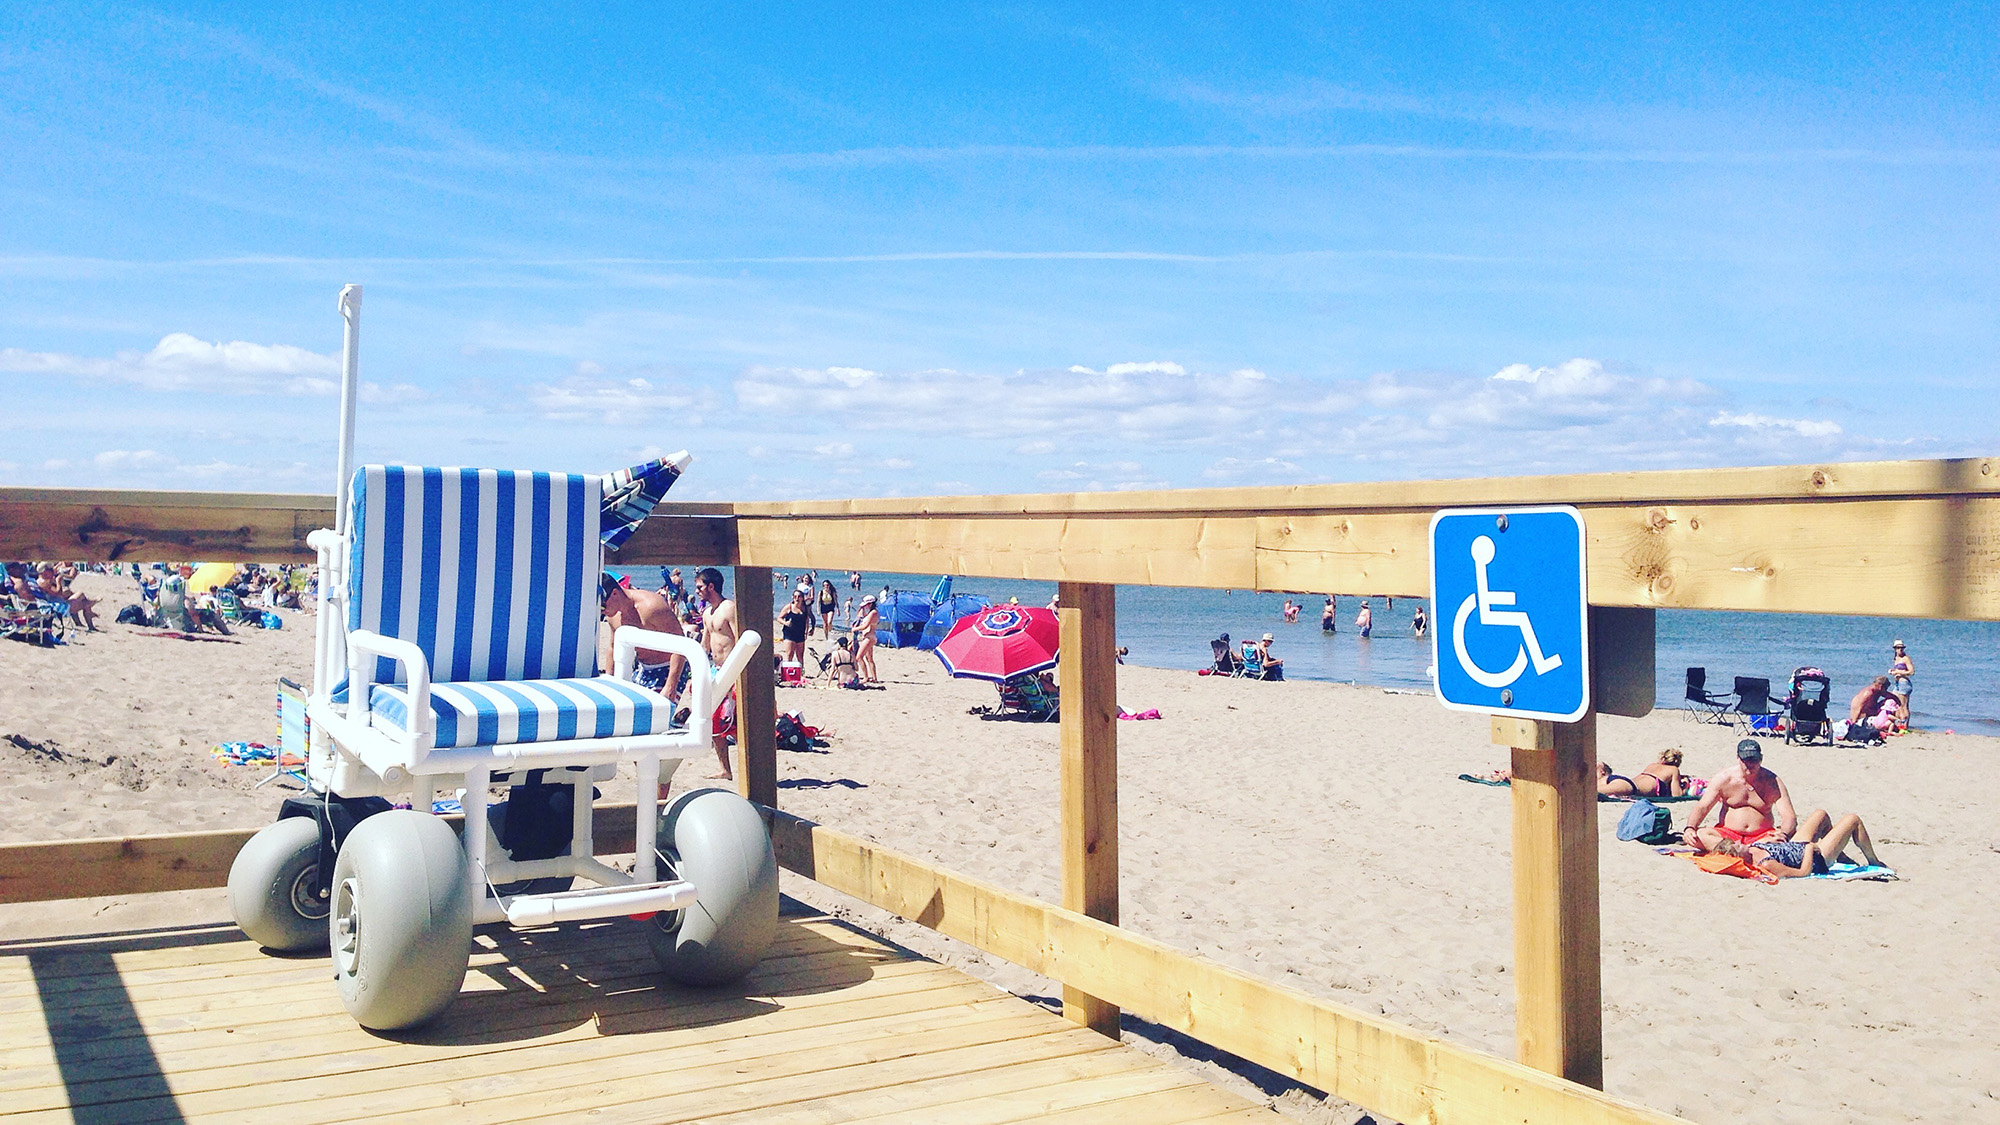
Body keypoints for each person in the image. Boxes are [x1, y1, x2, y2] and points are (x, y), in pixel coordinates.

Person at [1681, 739, 1796, 849]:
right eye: (1746, 760)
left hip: (1762, 836)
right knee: (1700, 835)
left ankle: (1739, 850)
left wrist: (1783, 834)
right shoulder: (1724, 779)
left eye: (1754, 760)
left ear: (1761, 759)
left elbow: (1789, 816)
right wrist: (1690, 828)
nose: (1750, 764)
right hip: (1727, 835)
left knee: (1788, 838)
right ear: (1738, 758)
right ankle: (1740, 849)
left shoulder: (1772, 782)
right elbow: (1703, 806)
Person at [1708, 809, 1886, 878]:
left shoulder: (1752, 850)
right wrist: (1809, 850)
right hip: (1816, 858)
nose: (1740, 841)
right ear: (1738, 856)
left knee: (1820, 815)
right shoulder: (1766, 864)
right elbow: (1802, 873)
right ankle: (1873, 861)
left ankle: (1841, 856)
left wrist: (1769, 839)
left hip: (1794, 846)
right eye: (1738, 845)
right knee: (1852, 819)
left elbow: (1764, 845)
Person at [599, 575, 686, 707]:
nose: (603, 612)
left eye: (603, 607)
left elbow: (680, 644)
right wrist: (609, 682)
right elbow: (612, 648)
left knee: (657, 715)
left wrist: (671, 686)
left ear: (615, 593)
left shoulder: (652, 607)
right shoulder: (613, 616)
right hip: (643, 669)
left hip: (669, 668)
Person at [694, 567, 740, 782]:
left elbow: (740, 640)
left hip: (733, 671)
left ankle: (752, 768)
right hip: (716, 671)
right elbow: (705, 645)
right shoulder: (706, 613)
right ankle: (725, 768)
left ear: (711, 586)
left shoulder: (728, 608)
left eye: (700, 587)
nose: (697, 591)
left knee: (737, 723)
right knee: (713, 722)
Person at [1597, 749, 1690, 799]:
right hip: (1631, 787)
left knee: (1589, 790)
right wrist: (1685, 786)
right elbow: (1676, 795)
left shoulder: (1652, 765)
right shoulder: (1674, 770)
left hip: (1621, 780)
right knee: (1594, 793)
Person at [852, 594, 881, 684]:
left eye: (867, 605)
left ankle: (865, 677)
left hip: (869, 637)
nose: (866, 607)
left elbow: (865, 626)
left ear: (871, 604)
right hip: (869, 636)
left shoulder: (873, 613)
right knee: (869, 658)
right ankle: (874, 677)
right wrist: (861, 609)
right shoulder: (871, 613)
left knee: (859, 657)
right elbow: (861, 617)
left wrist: (855, 629)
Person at [777, 590, 810, 670]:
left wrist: (806, 631)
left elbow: (806, 620)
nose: (797, 598)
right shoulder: (789, 607)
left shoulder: (804, 608)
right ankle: (788, 672)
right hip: (789, 633)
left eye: (799, 596)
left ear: (802, 598)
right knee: (790, 654)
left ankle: (801, 672)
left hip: (800, 633)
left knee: (800, 655)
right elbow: (779, 618)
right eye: (795, 596)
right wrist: (785, 623)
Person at [1887, 640, 1915, 728]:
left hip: (1904, 684)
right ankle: (1899, 722)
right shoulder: (1896, 658)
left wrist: (1898, 672)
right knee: (1895, 702)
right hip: (1897, 683)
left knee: (1903, 705)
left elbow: (1911, 671)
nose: (1900, 650)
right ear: (1895, 649)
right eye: (1898, 648)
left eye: (1901, 648)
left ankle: (1905, 724)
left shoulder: (1906, 658)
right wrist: (1893, 672)